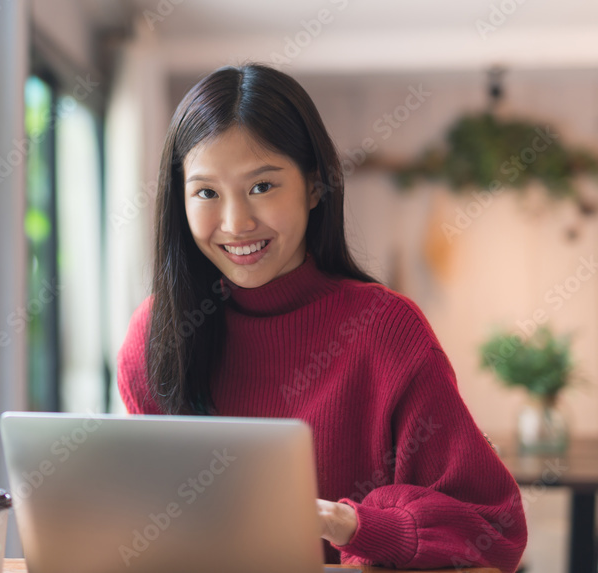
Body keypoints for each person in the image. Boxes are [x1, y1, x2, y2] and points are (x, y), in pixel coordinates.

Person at [117, 63, 527, 572]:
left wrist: (353, 526)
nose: (235, 222)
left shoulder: (386, 330)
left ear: (314, 187)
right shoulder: (157, 335)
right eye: (206, 192)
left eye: (262, 186)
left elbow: (495, 530)